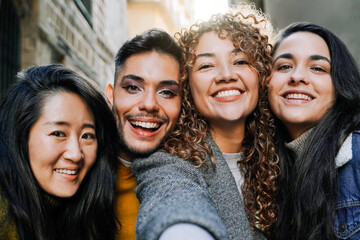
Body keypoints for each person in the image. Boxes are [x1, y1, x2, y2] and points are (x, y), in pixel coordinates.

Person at [132, 4, 278, 240]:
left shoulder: (281, 154)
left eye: (240, 61)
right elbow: (172, 198)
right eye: (206, 65)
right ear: (187, 85)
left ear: (261, 73)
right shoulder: (168, 163)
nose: (226, 75)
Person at [0, 64, 120, 239]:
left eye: (87, 136)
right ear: (21, 136)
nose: (75, 154)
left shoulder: (87, 213)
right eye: (58, 134)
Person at [105, 28, 202, 240]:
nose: (149, 104)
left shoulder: (193, 173)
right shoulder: (74, 167)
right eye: (133, 88)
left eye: (166, 92)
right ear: (111, 96)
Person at [268, 22, 360, 240]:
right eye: (284, 66)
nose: (297, 76)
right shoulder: (268, 170)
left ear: (339, 86)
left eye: (318, 68)